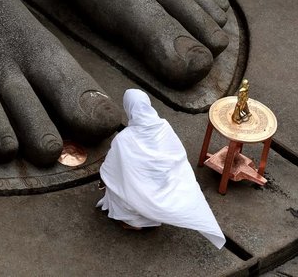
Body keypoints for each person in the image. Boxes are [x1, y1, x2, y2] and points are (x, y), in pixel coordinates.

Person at [97, 89, 226, 249]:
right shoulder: (164, 126)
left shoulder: (124, 139)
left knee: (115, 184)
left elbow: (109, 169)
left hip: (138, 194)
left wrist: (105, 181)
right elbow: (177, 156)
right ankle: (152, 215)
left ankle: (134, 220)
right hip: (163, 186)